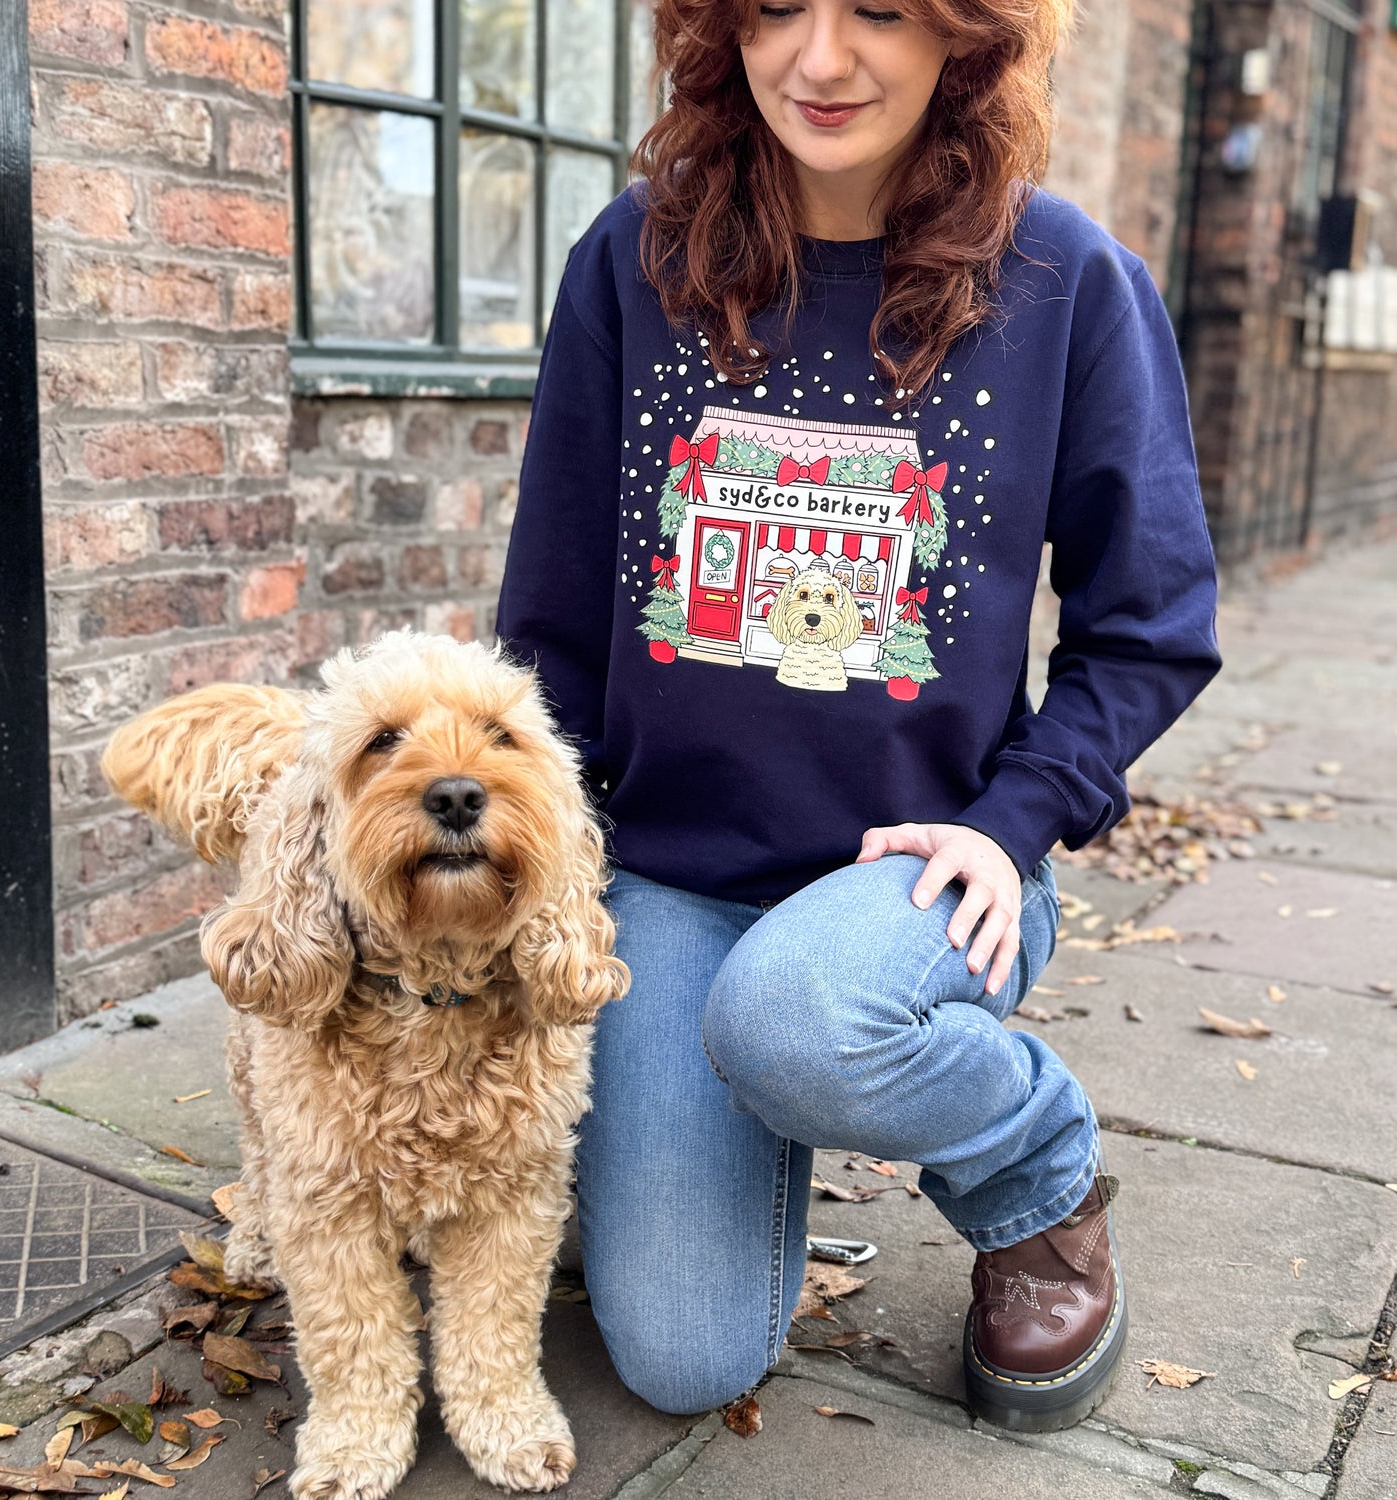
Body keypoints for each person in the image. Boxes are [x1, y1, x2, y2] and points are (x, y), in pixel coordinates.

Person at [495, 0, 1220, 1434]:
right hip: (668, 880)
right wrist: (547, 885)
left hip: (918, 872)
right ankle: (733, 1105)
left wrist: (1011, 830)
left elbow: (1151, 630)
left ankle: (1038, 1177)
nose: (820, 61)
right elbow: (554, 628)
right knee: (682, 1357)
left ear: (969, 34)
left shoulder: (1065, 279)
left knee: (801, 1014)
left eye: (880, 10)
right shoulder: (635, 259)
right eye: (775, 9)